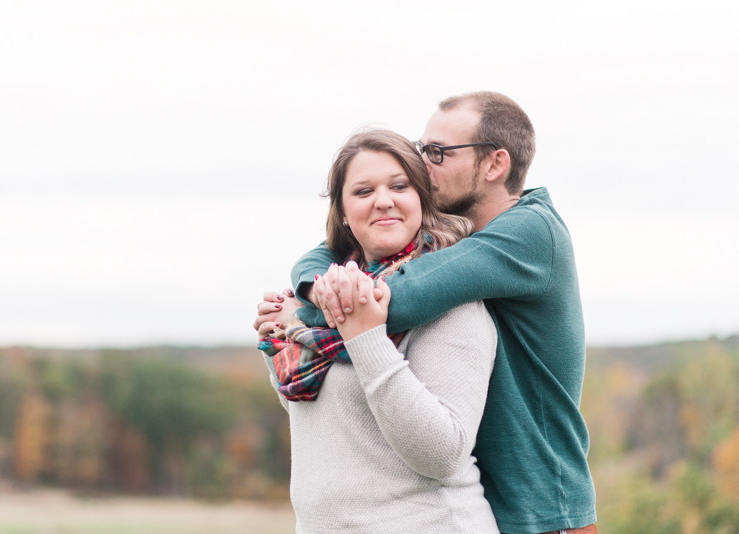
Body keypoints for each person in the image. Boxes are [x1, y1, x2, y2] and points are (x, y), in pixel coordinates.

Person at [255, 92, 597, 534]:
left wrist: (308, 313)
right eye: (422, 149)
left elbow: (400, 297)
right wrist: (310, 291)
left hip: (543, 508)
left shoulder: (528, 234)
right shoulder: (462, 240)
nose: (423, 164)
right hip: (492, 494)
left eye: (437, 153)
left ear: (494, 165)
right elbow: (321, 254)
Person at [258, 129, 501, 533]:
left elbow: (442, 454)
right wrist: (282, 338)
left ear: (422, 198)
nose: (383, 200)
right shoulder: (324, 299)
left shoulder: (451, 305)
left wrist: (366, 337)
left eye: (400, 186)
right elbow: (331, 421)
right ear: (341, 212)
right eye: (363, 190)